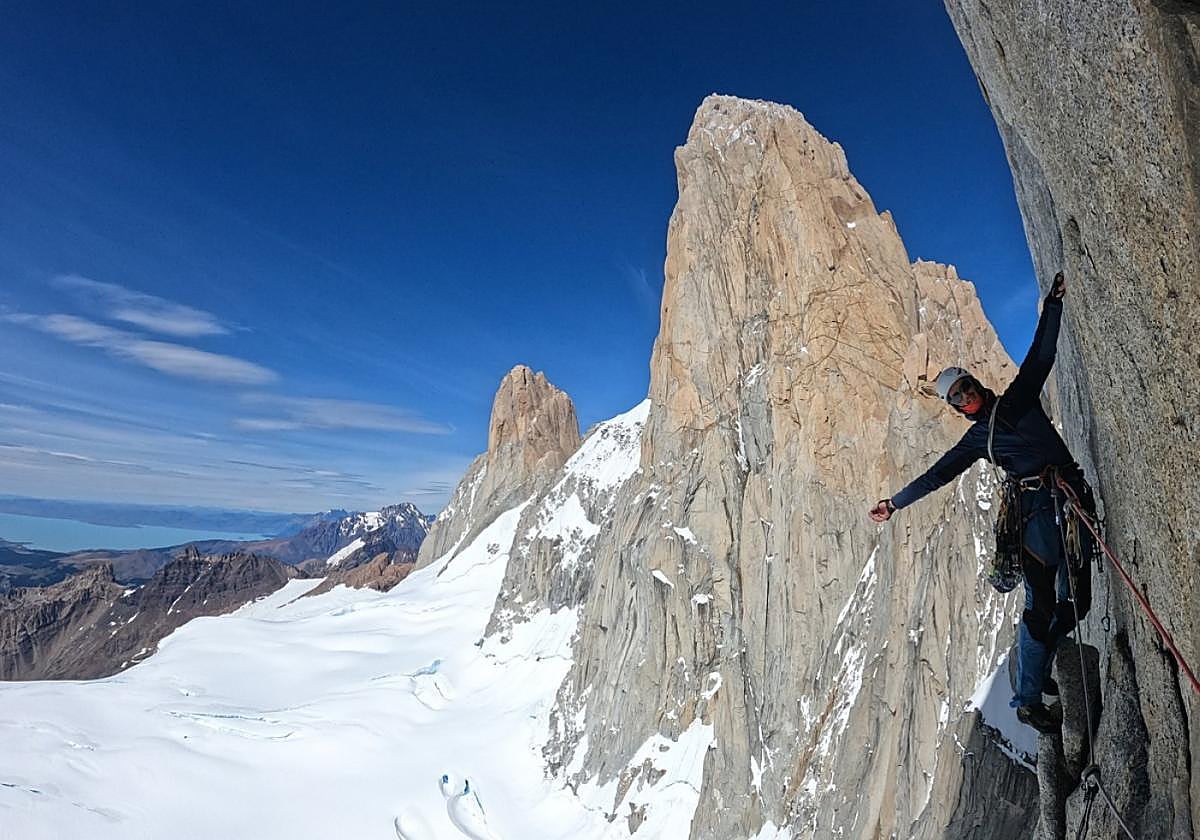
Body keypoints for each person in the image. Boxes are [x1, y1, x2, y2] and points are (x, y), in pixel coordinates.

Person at [868, 272, 1094, 734]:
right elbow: (937, 477)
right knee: (1042, 606)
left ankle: (1037, 668)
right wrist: (894, 504)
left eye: (966, 388)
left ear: (975, 383)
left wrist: (1053, 306)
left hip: (1067, 505)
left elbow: (1041, 356)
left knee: (1079, 603)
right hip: (1038, 518)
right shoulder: (976, 441)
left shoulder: (1017, 400)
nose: (966, 397)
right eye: (957, 398)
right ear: (955, 409)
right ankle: (1028, 698)